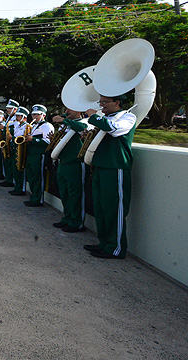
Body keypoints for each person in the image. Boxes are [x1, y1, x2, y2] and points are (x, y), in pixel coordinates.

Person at [83, 94, 136, 259]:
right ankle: (104, 243)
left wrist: (93, 116)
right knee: (101, 208)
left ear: (117, 102)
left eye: (105, 102)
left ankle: (116, 248)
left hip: (116, 167)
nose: (102, 106)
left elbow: (114, 129)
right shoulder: (104, 119)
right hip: (100, 167)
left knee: (114, 209)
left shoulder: (127, 116)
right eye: (101, 102)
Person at [51, 108, 88, 233]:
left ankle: (77, 222)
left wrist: (63, 119)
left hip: (75, 163)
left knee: (75, 194)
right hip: (63, 162)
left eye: (70, 108)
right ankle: (67, 217)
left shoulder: (85, 121)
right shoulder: (66, 125)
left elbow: (82, 127)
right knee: (65, 193)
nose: (67, 111)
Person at [23, 104, 54, 207]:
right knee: (31, 176)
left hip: (40, 155)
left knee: (38, 177)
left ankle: (38, 199)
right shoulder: (33, 125)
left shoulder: (47, 126)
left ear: (43, 115)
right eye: (33, 114)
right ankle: (33, 196)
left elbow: (49, 141)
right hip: (31, 154)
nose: (34, 117)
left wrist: (33, 139)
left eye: (37, 114)